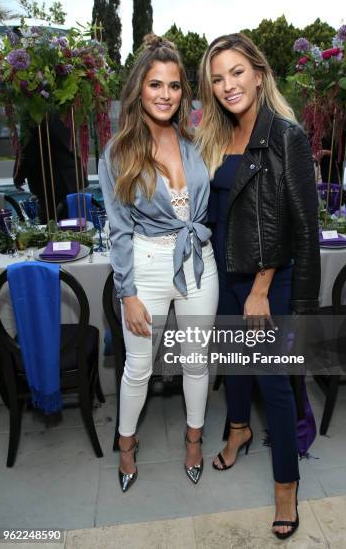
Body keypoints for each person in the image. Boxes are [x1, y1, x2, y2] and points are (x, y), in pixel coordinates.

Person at [197, 33, 320, 540]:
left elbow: (295, 223)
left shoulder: (284, 135)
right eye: (218, 78)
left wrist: (261, 288)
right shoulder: (219, 133)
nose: (228, 85)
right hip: (225, 272)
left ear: (260, 73)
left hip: (266, 281)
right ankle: (239, 430)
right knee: (233, 362)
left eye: (237, 72)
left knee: (274, 381)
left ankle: (286, 485)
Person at [99, 35, 218, 492]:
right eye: (155, 84)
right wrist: (127, 293)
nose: (165, 94)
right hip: (146, 266)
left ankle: (193, 440)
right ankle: (126, 445)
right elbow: (119, 229)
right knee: (138, 367)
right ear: (139, 90)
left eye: (173, 85)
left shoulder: (195, 143)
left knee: (195, 361)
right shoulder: (120, 151)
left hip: (197, 263)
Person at [13, 112, 87, 223]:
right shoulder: (63, 108)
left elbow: (28, 150)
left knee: (51, 226)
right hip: (72, 176)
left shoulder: (34, 111)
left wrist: (18, 176)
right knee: (75, 223)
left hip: (50, 181)